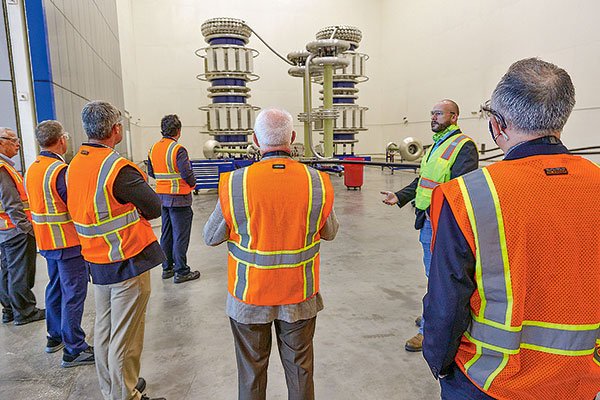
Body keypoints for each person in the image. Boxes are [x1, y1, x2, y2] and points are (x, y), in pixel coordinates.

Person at [423, 58, 600, 399]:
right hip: (580, 380)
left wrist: (440, 364)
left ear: (498, 125)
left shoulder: (467, 196)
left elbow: (446, 304)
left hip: (490, 381)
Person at [204, 108, 339, 400]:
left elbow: (210, 237)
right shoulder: (316, 181)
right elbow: (329, 232)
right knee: (301, 371)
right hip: (299, 296)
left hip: (249, 297)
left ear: (254, 139)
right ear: (292, 138)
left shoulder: (235, 183)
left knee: (251, 374)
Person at [67, 101, 165, 400]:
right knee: (127, 337)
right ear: (115, 129)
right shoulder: (116, 167)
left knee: (106, 333)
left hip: (97, 260)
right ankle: (127, 395)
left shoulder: (75, 163)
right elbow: (153, 207)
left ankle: (114, 388)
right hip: (126, 258)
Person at [380, 99, 478, 352]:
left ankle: (429, 332)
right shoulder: (438, 144)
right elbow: (424, 180)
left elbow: (461, 190)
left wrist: (448, 225)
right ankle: (430, 317)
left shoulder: (463, 147)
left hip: (443, 225)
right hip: (429, 220)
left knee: (438, 280)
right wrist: (400, 196)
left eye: (438, 114)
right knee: (432, 276)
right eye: (432, 113)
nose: (433, 118)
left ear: (454, 117)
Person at [24, 120, 94, 367]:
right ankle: (74, 348)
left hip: (46, 241)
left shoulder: (33, 168)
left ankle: (55, 336)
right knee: (74, 293)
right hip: (67, 242)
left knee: (55, 288)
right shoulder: (59, 171)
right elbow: (74, 206)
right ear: (61, 140)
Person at [0, 127, 45, 326]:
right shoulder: (3, 169)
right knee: (19, 271)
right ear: (1, 142)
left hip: (5, 229)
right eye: (13, 140)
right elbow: (12, 203)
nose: (18, 143)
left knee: (7, 271)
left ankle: (9, 309)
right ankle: (25, 311)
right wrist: (26, 228)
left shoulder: (5, 167)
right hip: (15, 229)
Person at [147, 114, 200, 283]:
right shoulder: (178, 150)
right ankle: (182, 271)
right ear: (178, 131)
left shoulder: (153, 148)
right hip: (179, 199)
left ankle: (167, 267)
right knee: (180, 235)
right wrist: (193, 184)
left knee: (167, 233)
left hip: (162, 198)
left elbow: (151, 172)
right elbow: (187, 173)